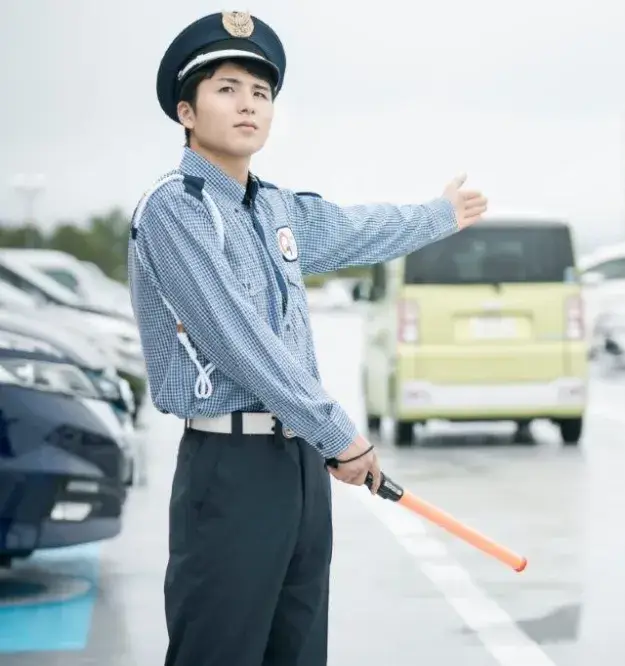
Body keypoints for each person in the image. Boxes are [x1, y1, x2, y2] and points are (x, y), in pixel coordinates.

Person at [127, 10, 488, 666]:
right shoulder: (174, 209)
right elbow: (238, 337)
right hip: (229, 467)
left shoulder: (274, 207)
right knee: (220, 650)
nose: (248, 105)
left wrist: (438, 216)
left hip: (299, 466)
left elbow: (355, 229)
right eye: (228, 89)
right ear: (186, 110)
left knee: (296, 648)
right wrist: (338, 432)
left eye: (261, 94)